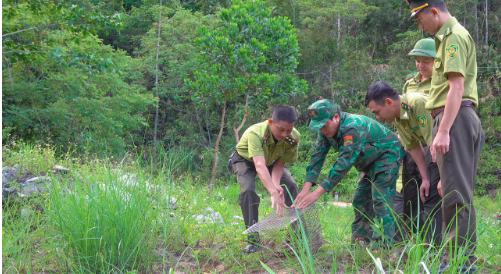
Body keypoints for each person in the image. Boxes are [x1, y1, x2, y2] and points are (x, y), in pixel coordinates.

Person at [407, 0, 485, 272]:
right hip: (458, 119)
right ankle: (460, 261)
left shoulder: (452, 38)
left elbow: (456, 86)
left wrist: (442, 131)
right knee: (456, 193)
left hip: (455, 119)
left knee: (455, 197)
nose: (420, 25)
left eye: (420, 19)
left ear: (433, 11)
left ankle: (457, 264)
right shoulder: (448, 39)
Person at [295, 99, 404, 248]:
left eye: (324, 125)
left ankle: (384, 246)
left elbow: (343, 164)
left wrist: (317, 193)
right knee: (360, 199)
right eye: (318, 127)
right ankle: (361, 242)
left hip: (387, 155)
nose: (322, 130)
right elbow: (317, 158)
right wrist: (305, 190)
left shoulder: (352, 126)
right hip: (368, 161)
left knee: (380, 198)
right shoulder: (325, 132)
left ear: (336, 117)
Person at [365, 81, 442, 245]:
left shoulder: (415, 103)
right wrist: (425, 178)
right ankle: (427, 247)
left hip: (450, 146)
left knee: (434, 199)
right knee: (426, 192)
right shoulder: (398, 118)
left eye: (377, 112)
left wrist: (444, 176)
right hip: (435, 150)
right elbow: (414, 148)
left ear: (388, 102)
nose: (378, 118)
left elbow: (435, 144)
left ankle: (437, 250)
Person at [230, 105, 300, 254]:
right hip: (245, 159)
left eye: (288, 130)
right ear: (270, 122)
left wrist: (275, 185)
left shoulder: (293, 137)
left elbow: (280, 164)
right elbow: (259, 165)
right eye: (281, 129)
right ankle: (253, 241)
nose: (284, 134)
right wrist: (273, 193)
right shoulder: (255, 133)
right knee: (248, 190)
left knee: (291, 186)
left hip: (272, 161)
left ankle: (297, 239)